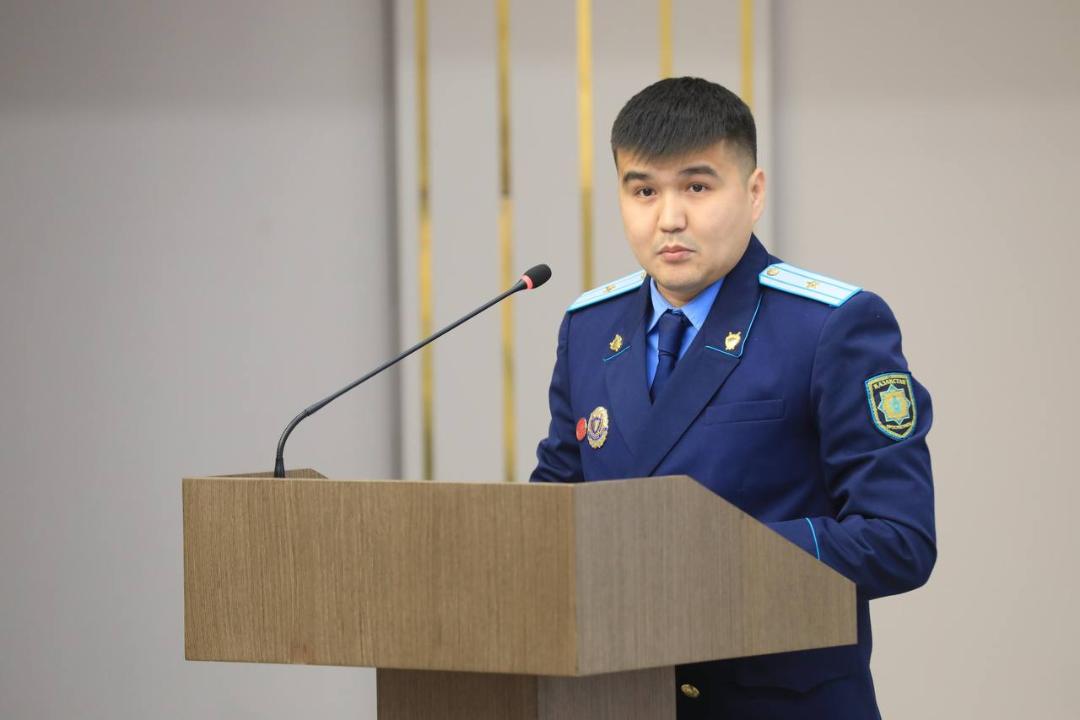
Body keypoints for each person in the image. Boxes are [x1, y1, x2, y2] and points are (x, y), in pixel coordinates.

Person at [529, 77, 936, 719]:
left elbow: (899, 540)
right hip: (621, 695)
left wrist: (715, 558)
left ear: (753, 193)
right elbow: (555, 511)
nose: (669, 218)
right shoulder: (588, 328)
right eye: (643, 191)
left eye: (697, 187)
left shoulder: (830, 326)